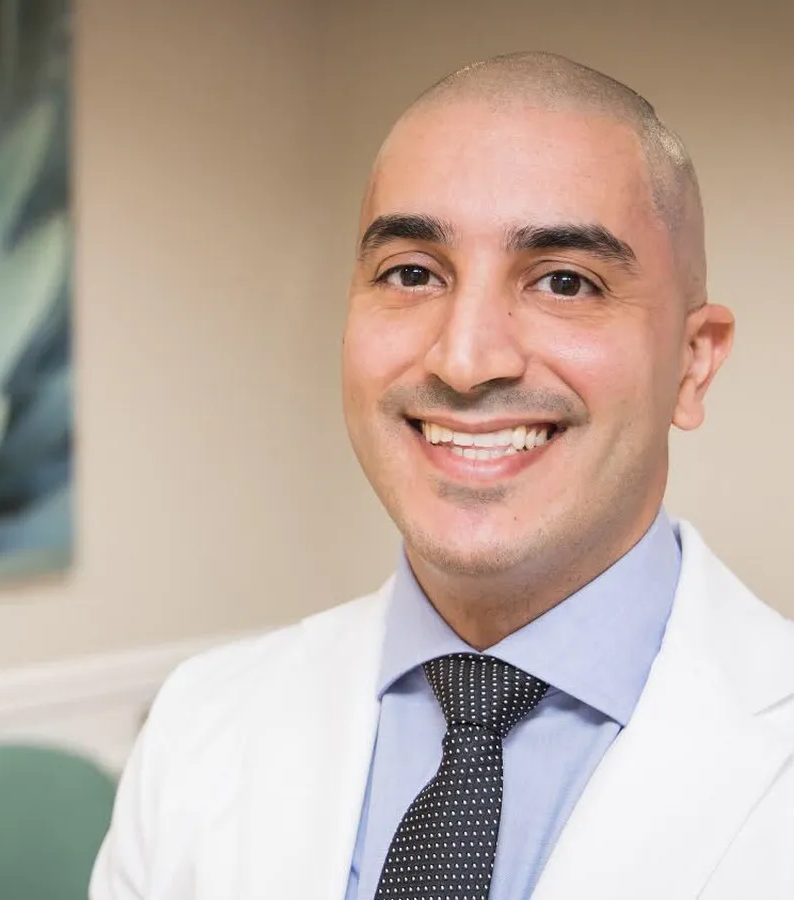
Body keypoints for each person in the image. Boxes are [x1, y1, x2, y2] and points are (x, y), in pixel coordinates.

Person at [88, 51, 794, 900]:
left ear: (692, 363)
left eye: (565, 282)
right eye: (413, 274)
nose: (465, 359)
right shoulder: (199, 723)